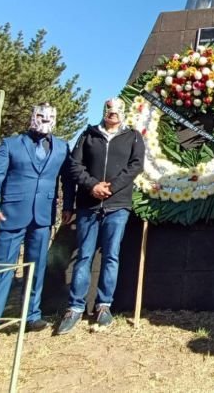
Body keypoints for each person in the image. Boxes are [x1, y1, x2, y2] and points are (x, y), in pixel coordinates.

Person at [0, 103, 73, 352]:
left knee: (37, 267)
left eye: (50, 116)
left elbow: (69, 181)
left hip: (43, 218)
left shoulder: (62, 147)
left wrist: (69, 206)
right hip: (10, 215)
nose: (45, 120)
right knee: (3, 270)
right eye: (40, 116)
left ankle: (32, 314)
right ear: (31, 117)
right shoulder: (10, 145)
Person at [56, 98, 145, 335]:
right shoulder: (88, 135)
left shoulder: (133, 137)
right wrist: (92, 186)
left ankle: (104, 306)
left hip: (117, 206)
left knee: (111, 256)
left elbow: (135, 165)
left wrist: (112, 187)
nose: (112, 114)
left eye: (117, 111)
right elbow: (75, 165)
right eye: (109, 110)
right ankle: (75, 307)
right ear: (104, 112)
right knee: (84, 256)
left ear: (123, 113)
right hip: (89, 204)